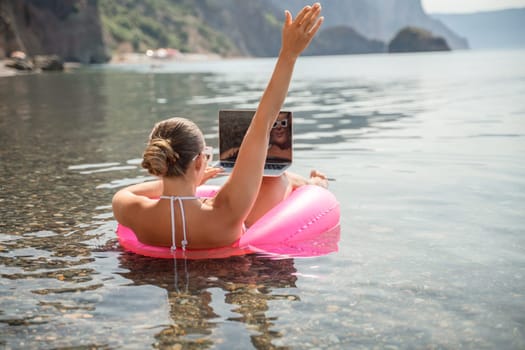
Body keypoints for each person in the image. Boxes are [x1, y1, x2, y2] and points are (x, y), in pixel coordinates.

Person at [112, 3, 328, 250]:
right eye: (207, 155)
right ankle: (315, 186)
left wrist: (188, 182)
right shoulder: (226, 210)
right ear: (197, 163)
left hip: (159, 263)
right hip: (235, 273)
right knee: (277, 181)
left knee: (277, 179)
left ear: (159, 163)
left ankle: (311, 185)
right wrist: (289, 53)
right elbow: (264, 120)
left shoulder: (129, 208)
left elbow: (130, 191)